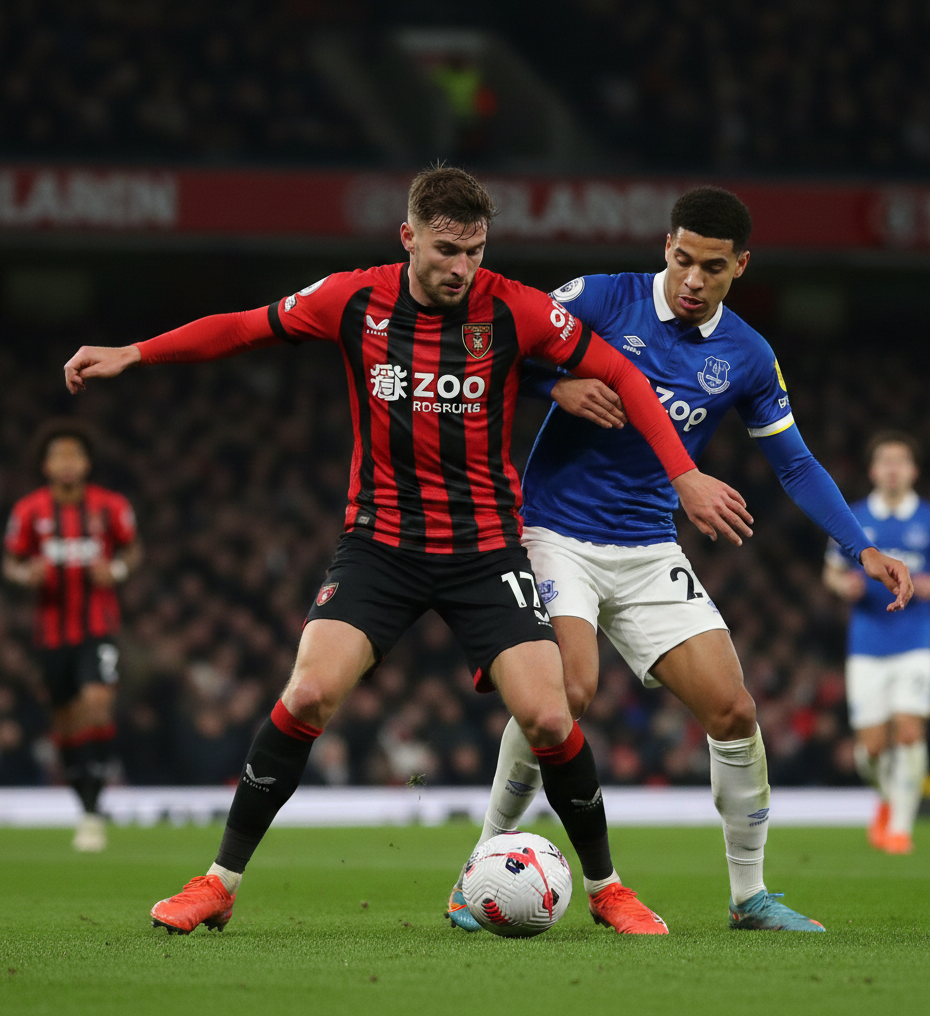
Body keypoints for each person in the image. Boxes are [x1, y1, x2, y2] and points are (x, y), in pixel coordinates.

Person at [63, 166, 754, 936]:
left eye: (476, 251)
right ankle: (218, 883)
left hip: (485, 549)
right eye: (447, 249)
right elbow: (243, 326)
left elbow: (619, 370)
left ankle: (606, 889)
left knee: (553, 718)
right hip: (380, 545)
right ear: (409, 237)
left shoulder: (517, 308)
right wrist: (135, 353)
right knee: (307, 695)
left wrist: (684, 474)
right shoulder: (352, 299)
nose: (462, 268)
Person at [445, 186, 913, 935]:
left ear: (740, 267)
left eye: (714, 267)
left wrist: (862, 546)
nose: (694, 279)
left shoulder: (749, 355)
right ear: (667, 246)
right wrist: (554, 384)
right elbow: (492, 346)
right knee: (567, 692)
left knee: (733, 710)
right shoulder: (600, 299)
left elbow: (795, 465)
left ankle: (749, 896)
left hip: (647, 544)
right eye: (684, 259)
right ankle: (477, 870)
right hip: (553, 531)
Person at [3, 421, 141, 851]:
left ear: (86, 463)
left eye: (74, 455)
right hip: (50, 634)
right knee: (63, 722)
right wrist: (25, 574)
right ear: (46, 465)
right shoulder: (29, 511)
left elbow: (133, 549)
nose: (67, 462)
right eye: (59, 455)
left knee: (98, 703)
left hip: (98, 627)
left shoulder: (110, 506)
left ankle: (94, 809)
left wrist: (117, 569)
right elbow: (11, 561)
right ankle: (85, 804)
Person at [824, 431, 930, 854]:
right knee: (869, 751)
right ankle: (888, 801)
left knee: (907, 732)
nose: (892, 468)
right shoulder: (852, 516)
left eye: (900, 461)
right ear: (872, 470)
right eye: (885, 460)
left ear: (913, 470)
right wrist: (841, 586)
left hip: (916, 639)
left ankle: (901, 828)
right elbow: (830, 572)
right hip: (866, 642)